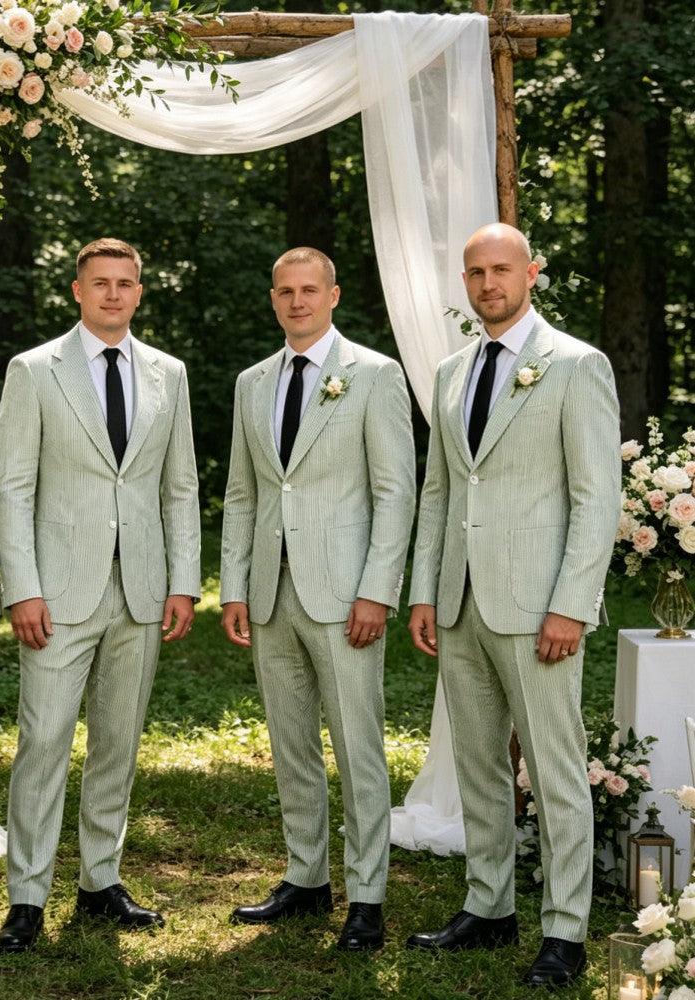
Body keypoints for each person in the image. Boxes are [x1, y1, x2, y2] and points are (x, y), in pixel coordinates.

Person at [406, 223, 620, 987]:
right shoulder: (451, 373)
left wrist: (571, 604)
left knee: (554, 772)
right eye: (475, 272)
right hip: (460, 600)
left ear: (530, 273)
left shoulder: (576, 364)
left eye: (501, 269)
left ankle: (565, 931)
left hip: (538, 609)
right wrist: (426, 591)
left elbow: (597, 499)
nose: (488, 283)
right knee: (477, 764)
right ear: (465, 282)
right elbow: (439, 491)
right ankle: (489, 905)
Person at [0, 238, 201, 952]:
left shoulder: (169, 373)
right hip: (56, 593)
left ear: (139, 291)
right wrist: (21, 587)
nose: (113, 294)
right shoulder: (34, 370)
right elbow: (13, 489)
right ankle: (26, 897)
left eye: (125, 283)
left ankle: (100, 880)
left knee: (118, 741)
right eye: (100, 283)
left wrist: (183, 581)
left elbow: (180, 487)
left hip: (140, 589)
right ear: (77, 290)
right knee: (43, 741)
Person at [219, 247, 415, 951]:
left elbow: (395, 493)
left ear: (333, 296)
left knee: (358, 746)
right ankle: (306, 877)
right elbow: (243, 493)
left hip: (345, 595)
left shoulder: (375, 375)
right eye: (285, 291)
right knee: (290, 741)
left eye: (310, 290)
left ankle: (367, 895)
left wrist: (376, 591)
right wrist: (234, 586)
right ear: (273, 298)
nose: (297, 301)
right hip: (271, 593)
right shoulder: (252, 383)